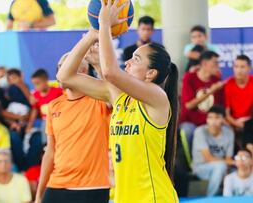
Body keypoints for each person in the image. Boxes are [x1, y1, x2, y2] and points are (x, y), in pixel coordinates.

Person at [53, 1, 180, 201]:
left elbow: (110, 72)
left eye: (136, 59)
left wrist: (104, 25)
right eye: (130, 57)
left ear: (151, 74)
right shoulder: (119, 97)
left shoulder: (157, 97)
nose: (128, 61)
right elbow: (65, 76)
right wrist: (92, 34)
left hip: (153, 197)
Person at [35, 51, 111, 203]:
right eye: (59, 68)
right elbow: (50, 151)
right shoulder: (53, 105)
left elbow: (113, 91)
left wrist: (96, 63)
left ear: (82, 72)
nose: (59, 73)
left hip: (92, 187)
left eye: (65, 67)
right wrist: (39, 195)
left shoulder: (100, 100)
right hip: (57, 184)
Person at [180, 51, 224, 148]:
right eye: (215, 63)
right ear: (204, 64)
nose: (218, 66)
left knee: (226, 129)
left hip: (210, 122)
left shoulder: (216, 80)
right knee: (188, 131)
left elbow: (220, 107)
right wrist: (210, 91)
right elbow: (189, 105)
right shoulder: (189, 77)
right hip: (190, 122)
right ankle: (190, 162)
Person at [192, 105, 235, 196]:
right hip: (201, 167)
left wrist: (231, 163)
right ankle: (210, 198)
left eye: (217, 118)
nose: (213, 121)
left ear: (223, 119)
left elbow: (228, 157)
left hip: (221, 167)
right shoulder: (200, 132)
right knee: (220, 166)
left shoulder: (229, 133)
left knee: (239, 171)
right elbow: (208, 158)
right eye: (210, 117)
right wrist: (231, 162)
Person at [26, 69, 63, 141]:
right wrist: (29, 125)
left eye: (38, 83)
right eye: (34, 84)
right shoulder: (35, 95)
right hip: (45, 121)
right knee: (44, 125)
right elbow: (35, 110)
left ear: (46, 80)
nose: (36, 87)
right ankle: (45, 145)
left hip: (58, 118)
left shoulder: (57, 92)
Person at [224, 55, 253, 132]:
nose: (239, 70)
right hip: (231, 123)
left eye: (242, 67)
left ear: (249, 68)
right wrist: (237, 124)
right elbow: (227, 114)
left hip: (250, 121)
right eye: (236, 67)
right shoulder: (228, 84)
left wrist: (247, 123)